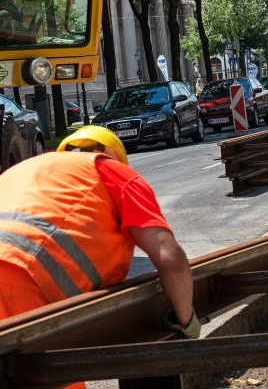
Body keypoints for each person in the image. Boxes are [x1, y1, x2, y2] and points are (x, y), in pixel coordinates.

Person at [0, 126, 199, 386]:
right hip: (24, 283)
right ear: (111, 154)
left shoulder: (22, 170)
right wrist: (186, 321)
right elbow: (171, 261)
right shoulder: (112, 170)